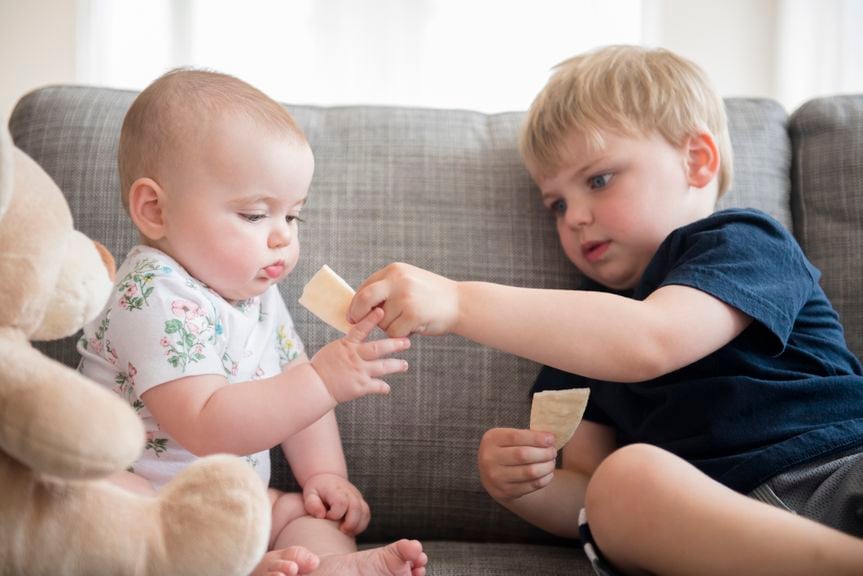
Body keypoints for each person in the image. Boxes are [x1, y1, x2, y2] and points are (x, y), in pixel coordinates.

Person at [347, 45, 863, 575]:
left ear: (697, 160)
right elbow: (586, 497)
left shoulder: (742, 241)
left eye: (598, 180)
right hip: (715, 533)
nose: (574, 219)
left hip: (835, 468)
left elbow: (650, 340)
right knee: (619, 484)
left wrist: (458, 301)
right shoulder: (574, 335)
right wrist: (527, 488)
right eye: (558, 204)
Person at [78, 68, 427, 576]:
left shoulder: (257, 293)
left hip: (232, 504)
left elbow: (293, 378)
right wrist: (321, 380)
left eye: (293, 216)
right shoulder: (150, 291)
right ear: (154, 209)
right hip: (152, 502)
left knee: (302, 514)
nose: (283, 237)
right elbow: (206, 423)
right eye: (254, 215)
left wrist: (325, 476)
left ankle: (329, 566)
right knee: (99, 502)